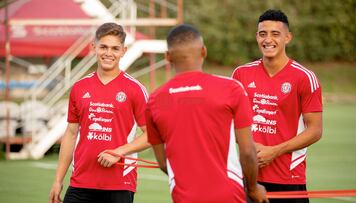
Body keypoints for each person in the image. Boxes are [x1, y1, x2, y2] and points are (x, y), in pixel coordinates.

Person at [145, 24, 268, 203]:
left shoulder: (155, 100)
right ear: (204, 51)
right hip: (229, 196)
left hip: (184, 197)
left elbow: (164, 163)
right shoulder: (230, 89)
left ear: (167, 57)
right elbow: (247, 151)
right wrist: (254, 188)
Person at [49, 22, 150, 203]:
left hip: (119, 183)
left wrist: (118, 152)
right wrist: (58, 180)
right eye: (103, 47)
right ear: (94, 47)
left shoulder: (135, 89)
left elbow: (152, 134)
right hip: (81, 182)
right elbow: (71, 134)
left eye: (115, 48)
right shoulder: (80, 87)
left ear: (123, 51)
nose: (108, 53)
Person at [232, 9, 323, 203]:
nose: (268, 40)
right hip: (249, 177)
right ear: (257, 36)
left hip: (289, 179)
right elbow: (230, 123)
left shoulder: (304, 78)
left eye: (275, 34)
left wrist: (274, 151)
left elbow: (315, 130)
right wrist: (249, 146)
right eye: (263, 34)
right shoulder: (241, 74)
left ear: (287, 37)